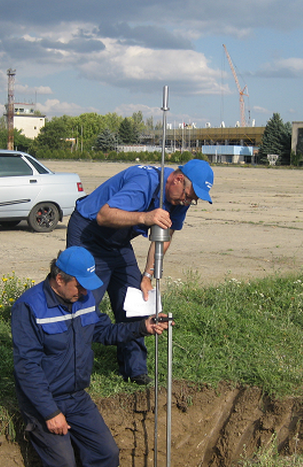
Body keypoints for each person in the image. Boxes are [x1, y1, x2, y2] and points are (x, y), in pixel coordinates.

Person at [11, 246, 169, 467]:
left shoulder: (84, 300)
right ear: (59, 279)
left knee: (106, 454)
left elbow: (104, 331)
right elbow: (27, 367)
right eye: (79, 286)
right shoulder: (29, 307)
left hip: (77, 397)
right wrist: (50, 412)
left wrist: (142, 327)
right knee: (62, 465)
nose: (84, 292)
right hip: (44, 401)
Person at [66, 158, 214, 384]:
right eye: (188, 196)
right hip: (89, 234)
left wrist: (147, 275)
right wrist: (145, 217)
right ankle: (73, 369)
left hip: (118, 241)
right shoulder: (144, 182)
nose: (187, 202)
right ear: (178, 179)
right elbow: (104, 215)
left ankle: (135, 371)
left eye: (193, 201)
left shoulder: (177, 201)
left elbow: (165, 237)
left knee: (135, 299)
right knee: (83, 302)